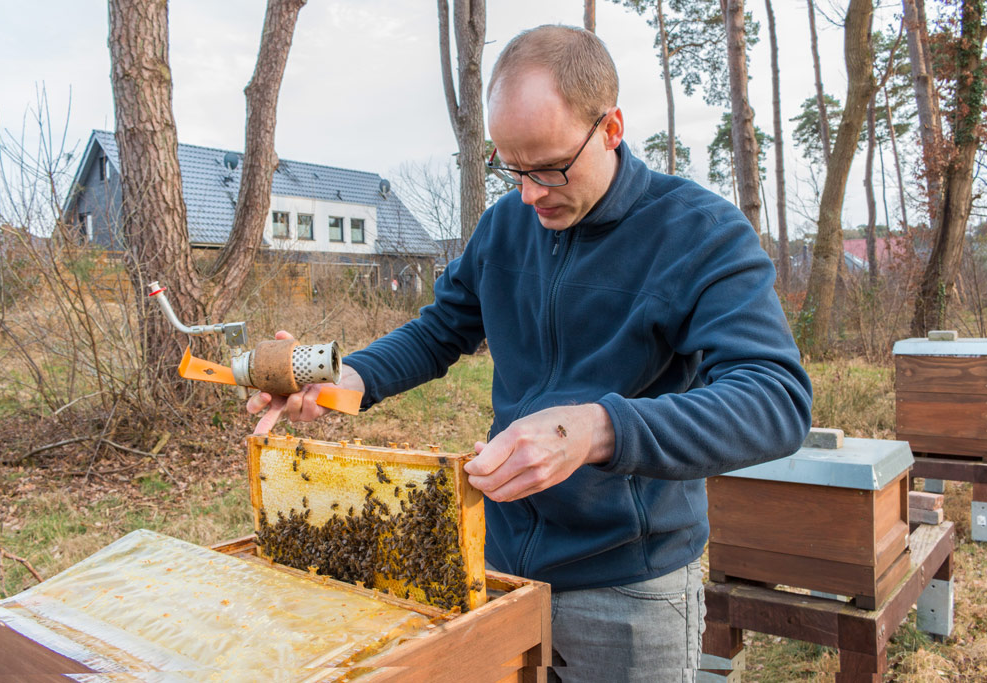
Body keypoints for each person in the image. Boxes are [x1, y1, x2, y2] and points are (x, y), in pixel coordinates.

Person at [249, 25, 812, 682]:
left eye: (549, 167)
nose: (530, 193)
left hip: (629, 583)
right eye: (511, 168)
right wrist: (346, 377)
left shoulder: (699, 233)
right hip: (499, 566)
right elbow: (439, 331)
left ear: (611, 128)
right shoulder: (506, 226)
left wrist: (596, 427)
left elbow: (776, 398)